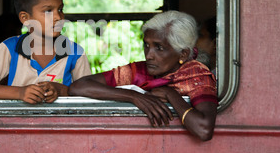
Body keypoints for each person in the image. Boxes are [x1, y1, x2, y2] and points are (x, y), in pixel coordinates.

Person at [68, 11, 218, 141]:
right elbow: (79, 87)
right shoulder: (138, 70)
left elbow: (203, 130)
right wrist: (134, 96)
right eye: (146, 45)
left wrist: (170, 94)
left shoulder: (196, 75)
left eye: (159, 48)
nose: (149, 55)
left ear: (183, 54)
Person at [0, 0, 92, 103]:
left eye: (60, 9)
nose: (58, 17)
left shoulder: (75, 52)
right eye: (48, 11)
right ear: (25, 18)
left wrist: (60, 90)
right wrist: (20, 92)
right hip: (18, 122)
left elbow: (88, 92)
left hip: (60, 122)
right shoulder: (10, 47)